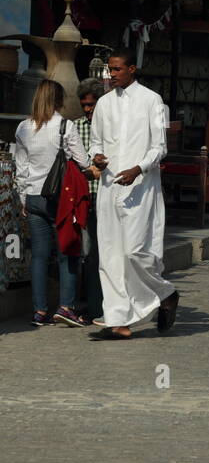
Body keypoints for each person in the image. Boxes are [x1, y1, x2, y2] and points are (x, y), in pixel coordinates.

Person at [89, 50, 179, 340]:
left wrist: (138, 169)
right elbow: (95, 142)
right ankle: (118, 321)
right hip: (109, 185)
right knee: (111, 254)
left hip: (140, 187)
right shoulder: (103, 104)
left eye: (116, 69)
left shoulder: (152, 101)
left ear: (131, 69)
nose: (111, 74)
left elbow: (159, 147)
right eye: (109, 70)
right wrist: (97, 157)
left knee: (135, 251)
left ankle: (165, 293)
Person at [14, 79, 92, 327]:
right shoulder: (65, 127)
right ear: (59, 100)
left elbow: (21, 168)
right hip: (60, 199)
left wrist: (23, 198)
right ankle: (65, 307)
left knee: (38, 256)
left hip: (34, 198)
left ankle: (39, 311)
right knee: (66, 253)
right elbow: (82, 160)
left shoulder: (24, 127)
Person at [75, 78, 105, 323]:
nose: (87, 109)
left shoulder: (110, 127)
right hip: (84, 198)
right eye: (84, 105)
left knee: (100, 255)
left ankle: (98, 307)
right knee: (86, 254)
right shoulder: (76, 127)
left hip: (106, 198)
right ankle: (88, 305)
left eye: (91, 104)